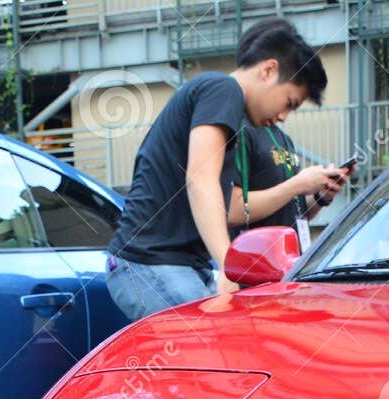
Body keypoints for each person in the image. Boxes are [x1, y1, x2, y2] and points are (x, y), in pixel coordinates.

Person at [106, 18, 327, 320]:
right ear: (268, 70)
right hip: (150, 263)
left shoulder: (225, 108)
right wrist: (228, 265)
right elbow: (200, 178)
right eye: (289, 102)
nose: (284, 116)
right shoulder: (222, 89)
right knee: (214, 346)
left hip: (172, 265)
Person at [227, 111, 347, 252]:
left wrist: (321, 196)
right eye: (290, 101)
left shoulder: (284, 138)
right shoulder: (243, 132)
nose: (284, 116)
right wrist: (298, 184)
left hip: (292, 260)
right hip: (258, 260)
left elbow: (298, 210)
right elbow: (232, 213)